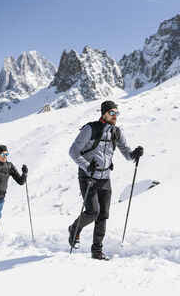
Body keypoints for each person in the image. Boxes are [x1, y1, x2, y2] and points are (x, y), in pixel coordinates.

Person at [69, 100, 144, 260]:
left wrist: (134, 154)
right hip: (88, 176)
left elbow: (126, 153)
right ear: (104, 113)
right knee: (93, 212)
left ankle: (97, 251)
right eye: (112, 113)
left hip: (105, 178)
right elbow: (73, 151)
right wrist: (87, 166)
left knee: (103, 214)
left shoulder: (116, 132)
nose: (115, 116)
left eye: (117, 113)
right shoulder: (90, 129)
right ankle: (74, 229)